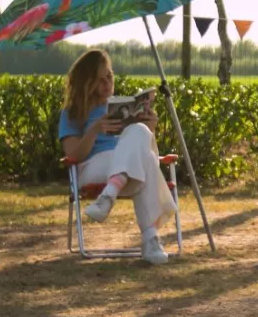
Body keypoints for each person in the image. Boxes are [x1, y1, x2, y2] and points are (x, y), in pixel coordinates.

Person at [59, 48, 174, 264]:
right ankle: (151, 240)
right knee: (146, 162)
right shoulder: (72, 112)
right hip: (93, 168)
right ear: (86, 82)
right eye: (99, 79)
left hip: (125, 173)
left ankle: (108, 196)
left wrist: (150, 128)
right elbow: (72, 155)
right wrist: (94, 129)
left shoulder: (121, 107)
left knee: (139, 133)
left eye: (109, 76)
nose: (106, 83)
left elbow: (143, 146)